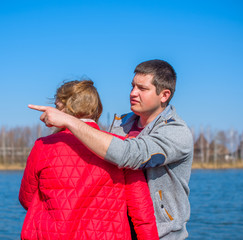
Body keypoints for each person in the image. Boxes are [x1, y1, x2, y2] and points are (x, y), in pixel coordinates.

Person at [28, 59, 194, 239]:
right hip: (121, 232)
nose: (133, 93)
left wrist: (68, 120)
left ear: (164, 95)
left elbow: (129, 155)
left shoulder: (177, 133)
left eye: (142, 89)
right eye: (132, 86)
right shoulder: (120, 125)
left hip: (162, 233)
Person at [19, 80, 159, 240]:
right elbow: (141, 211)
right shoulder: (121, 147)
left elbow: (27, 199)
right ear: (97, 109)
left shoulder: (43, 146)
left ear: (63, 110)